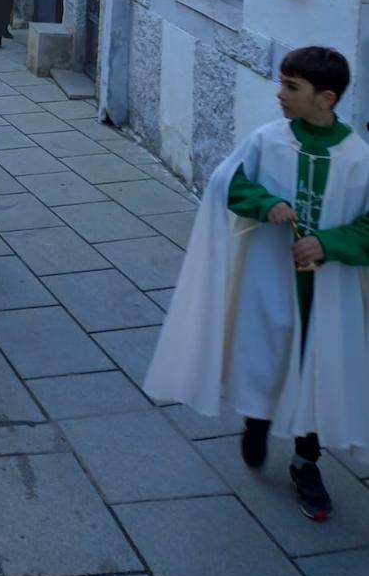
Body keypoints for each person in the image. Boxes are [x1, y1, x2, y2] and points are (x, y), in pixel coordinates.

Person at [143, 46, 369, 523]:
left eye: (292, 87)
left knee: (318, 370)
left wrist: (328, 243)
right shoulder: (268, 140)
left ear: (326, 98)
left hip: (326, 291)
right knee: (263, 356)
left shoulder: (357, 157)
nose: (280, 94)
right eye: (282, 83)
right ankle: (258, 419)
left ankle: (307, 462)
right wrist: (265, 201)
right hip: (269, 279)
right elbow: (230, 182)